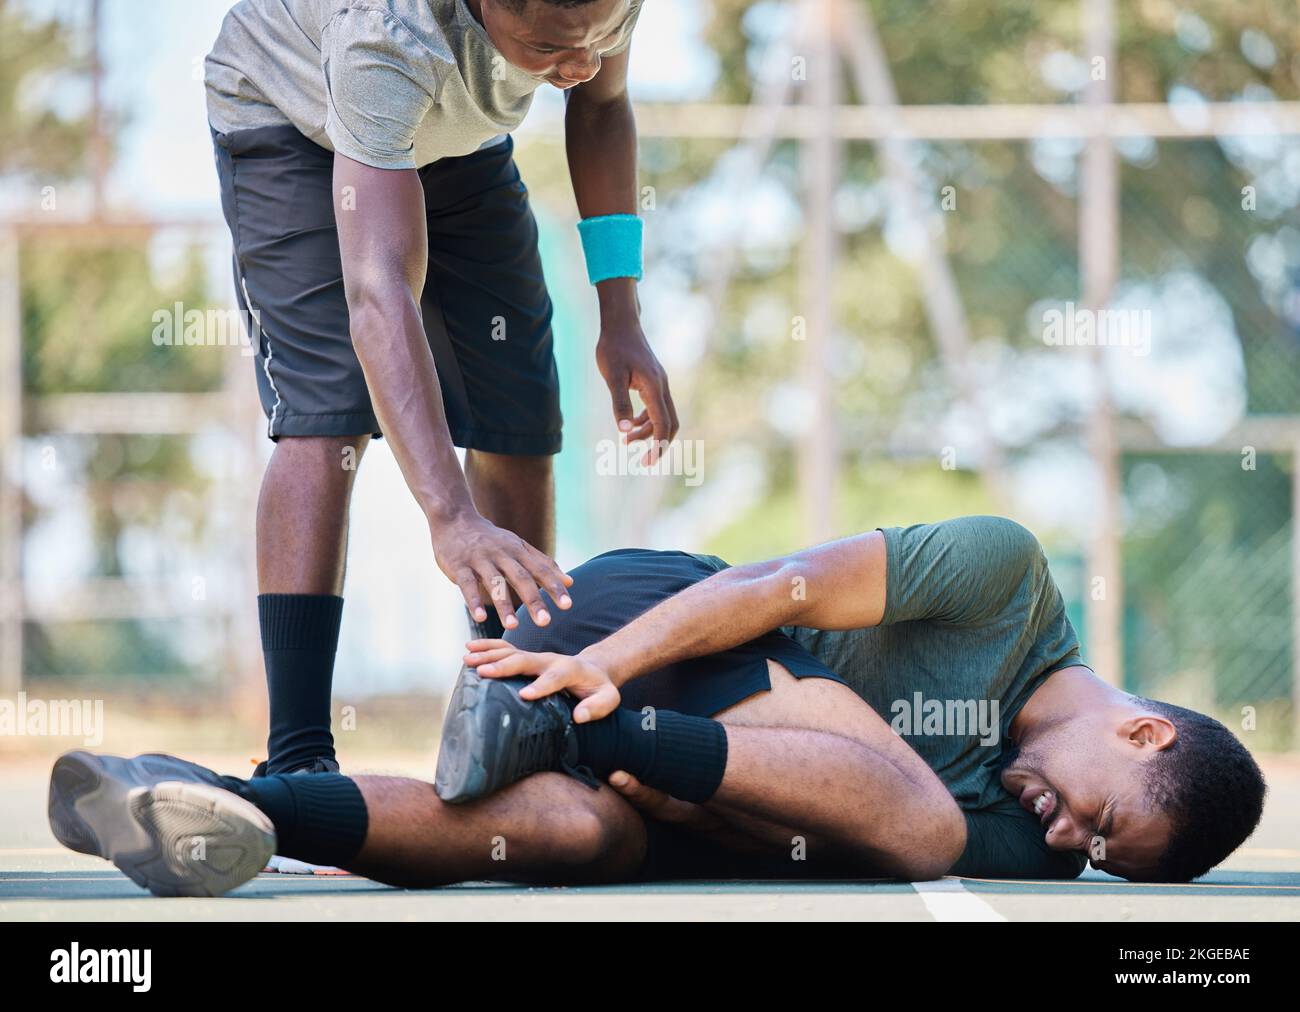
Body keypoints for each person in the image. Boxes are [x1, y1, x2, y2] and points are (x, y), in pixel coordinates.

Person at [47, 517, 1266, 894]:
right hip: (637, 626)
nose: (1069, 846)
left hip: (667, 764)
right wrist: (607, 674)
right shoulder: (1004, 574)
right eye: (1102, 825)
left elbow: (801, 853)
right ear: (1142, 730)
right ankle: (576, 723)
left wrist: (651, 778)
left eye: (1098, 860)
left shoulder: (1035, 844)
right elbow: (764, 586)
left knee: (576, 839)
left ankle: (202, 802)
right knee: (921, 820)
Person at [204, 0, 676, 785]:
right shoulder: (386, 34)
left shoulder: (597, 6)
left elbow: (602, 107)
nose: (582, 63)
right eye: (551, 49)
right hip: (290, 114)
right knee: (329, 418)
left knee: (519, 412)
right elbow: (379, 290)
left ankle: (517, 726)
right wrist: (448, 516)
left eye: (597, 40)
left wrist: (620, 315)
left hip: (451, 134)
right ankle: (297, 760)